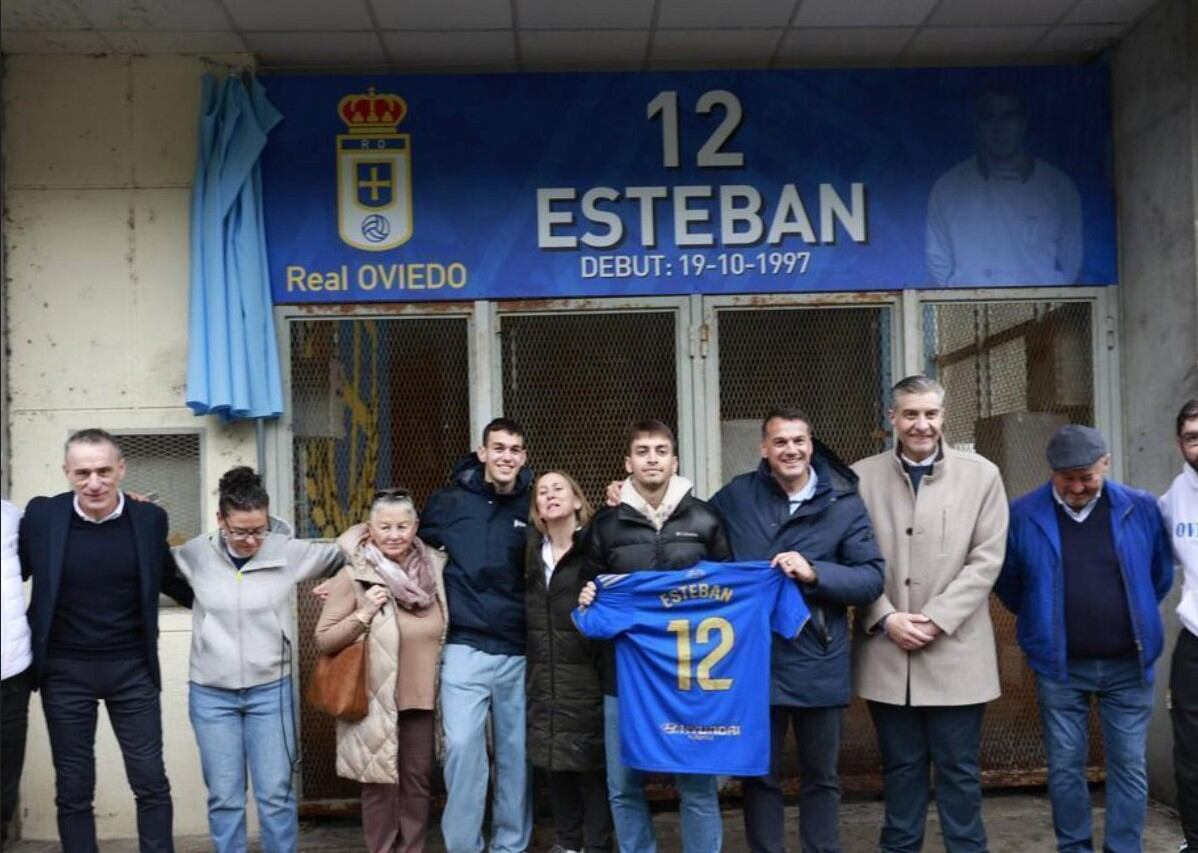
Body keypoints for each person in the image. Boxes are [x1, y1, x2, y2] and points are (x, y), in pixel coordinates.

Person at [708, 408, 885, 853]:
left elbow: (870, 579)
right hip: (753, 659)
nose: (791, 450)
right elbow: (689, 535)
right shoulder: (736, 496)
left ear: (811, 445)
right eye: (781, 442)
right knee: (759, 776)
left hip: (818, 658)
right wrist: (628, 498)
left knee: (821, 777)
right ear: (764, 449)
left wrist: (815, 573)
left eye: (799, 441)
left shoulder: (842, 503)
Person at [851, 376, 1009, 853]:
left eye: (930, 414)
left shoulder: (982, 475)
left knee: (960, 770)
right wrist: (884, 616)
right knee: (900, 770)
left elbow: (988, 559)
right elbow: (851, 557)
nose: (921, 425)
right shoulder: (860, 478)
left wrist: (937, 618)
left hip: (957, 651)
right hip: (887, 649)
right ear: (892, 419)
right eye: (911, 415)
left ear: (944, 416)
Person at [997, 424, 1172, 852]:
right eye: (1067, 477)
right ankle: (1073, 847)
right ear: (1051, 471)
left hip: (1129, 664)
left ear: (1105, 465)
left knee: (1129, 764)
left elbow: (1158, 576)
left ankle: (1123, 849)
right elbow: (1011, 584)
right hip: (1060, 665)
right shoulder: (1023, 514)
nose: (1077, 486)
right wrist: (1044, 617)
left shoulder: (1142, 508)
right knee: (1064, 767)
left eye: (1086, 477)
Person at [17, 428, 193, 852]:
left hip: (131, 669)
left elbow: (172, 580)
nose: (93, 482)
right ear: (66, 472)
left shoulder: (150, 519)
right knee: (75, 787)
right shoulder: (43, 518)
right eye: (81, 473)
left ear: (121, 469)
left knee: (150, 779)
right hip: (64, 671)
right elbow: (11, 572)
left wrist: (235, 593)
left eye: (102, 471)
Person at [173, 467, 344, 853]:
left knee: (275, 795)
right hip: (211, 694)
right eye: (240, 531)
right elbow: (148, 559)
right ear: (221, 520)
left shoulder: (287, 549)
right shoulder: (197, 553)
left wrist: (340, 581)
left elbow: (347, 553)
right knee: (225, 797)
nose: (251, 540)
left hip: (271, 692)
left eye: (259, 530)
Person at [581, 418, 731, 853]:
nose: (652, 459)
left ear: (674, 460)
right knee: (624, 785)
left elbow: (728, 591)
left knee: (698, 785)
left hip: (689, 677)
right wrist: (591, 599)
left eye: (660, 451)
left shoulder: (705, 519)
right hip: (623, 677)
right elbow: (587, 598)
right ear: (628, 461)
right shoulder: (606, 526)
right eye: (642, 451)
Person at [419, 418, 532, 853]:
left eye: (515, 449)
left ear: (523, 457)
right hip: (464, 645)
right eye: (498, 447)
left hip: (519, 648)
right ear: (482, 452)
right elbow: (404, 542)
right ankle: (465, 845)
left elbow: (571, 536)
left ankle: (510, 845)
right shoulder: (448, 503)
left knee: (515, 756)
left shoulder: (533, 504)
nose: (507, 456)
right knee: (463, 750)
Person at [316, 489, 448, 853]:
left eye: (402, 526)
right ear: (369, 528)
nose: (394, 534)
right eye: (385, 526)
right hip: (374, 700)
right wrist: (363, 614)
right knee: (379, 787)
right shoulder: (355, 574)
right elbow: (325, 639)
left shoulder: (436, 568)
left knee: (418, 784)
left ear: (416, 527)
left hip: (422, 699)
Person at [525, 470, 612, 853]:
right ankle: (567, 842)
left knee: (592, 766)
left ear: (578, 500)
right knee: (555, 762)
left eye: (558, 488)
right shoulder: (529, 554)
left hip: (587, 673)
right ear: (537, 509)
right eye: (542, 492)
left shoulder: (594, 549)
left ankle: (597, 845)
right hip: (545, 675)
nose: (550, 495)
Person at [926, 86, 1083, 287]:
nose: (999, 128)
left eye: (1009, 117)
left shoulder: (1058, 186)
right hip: (968, 313)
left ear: (1023, 123)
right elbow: (937, 262)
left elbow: (1071, 260)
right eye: (989, 117)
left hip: (1043, 313)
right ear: (977, 126)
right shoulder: (948, 187)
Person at [1162, 399, 1198, 852]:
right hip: (1196, 642)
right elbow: (1154, 564)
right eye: (1193, 437)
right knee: (1191, 757)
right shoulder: (1174, 497)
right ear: (1180, 443)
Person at [2, 497, 32, 846]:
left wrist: (128, 502)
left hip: (10, 675)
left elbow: (67, 516)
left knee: (5, 786)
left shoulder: (14, 518)